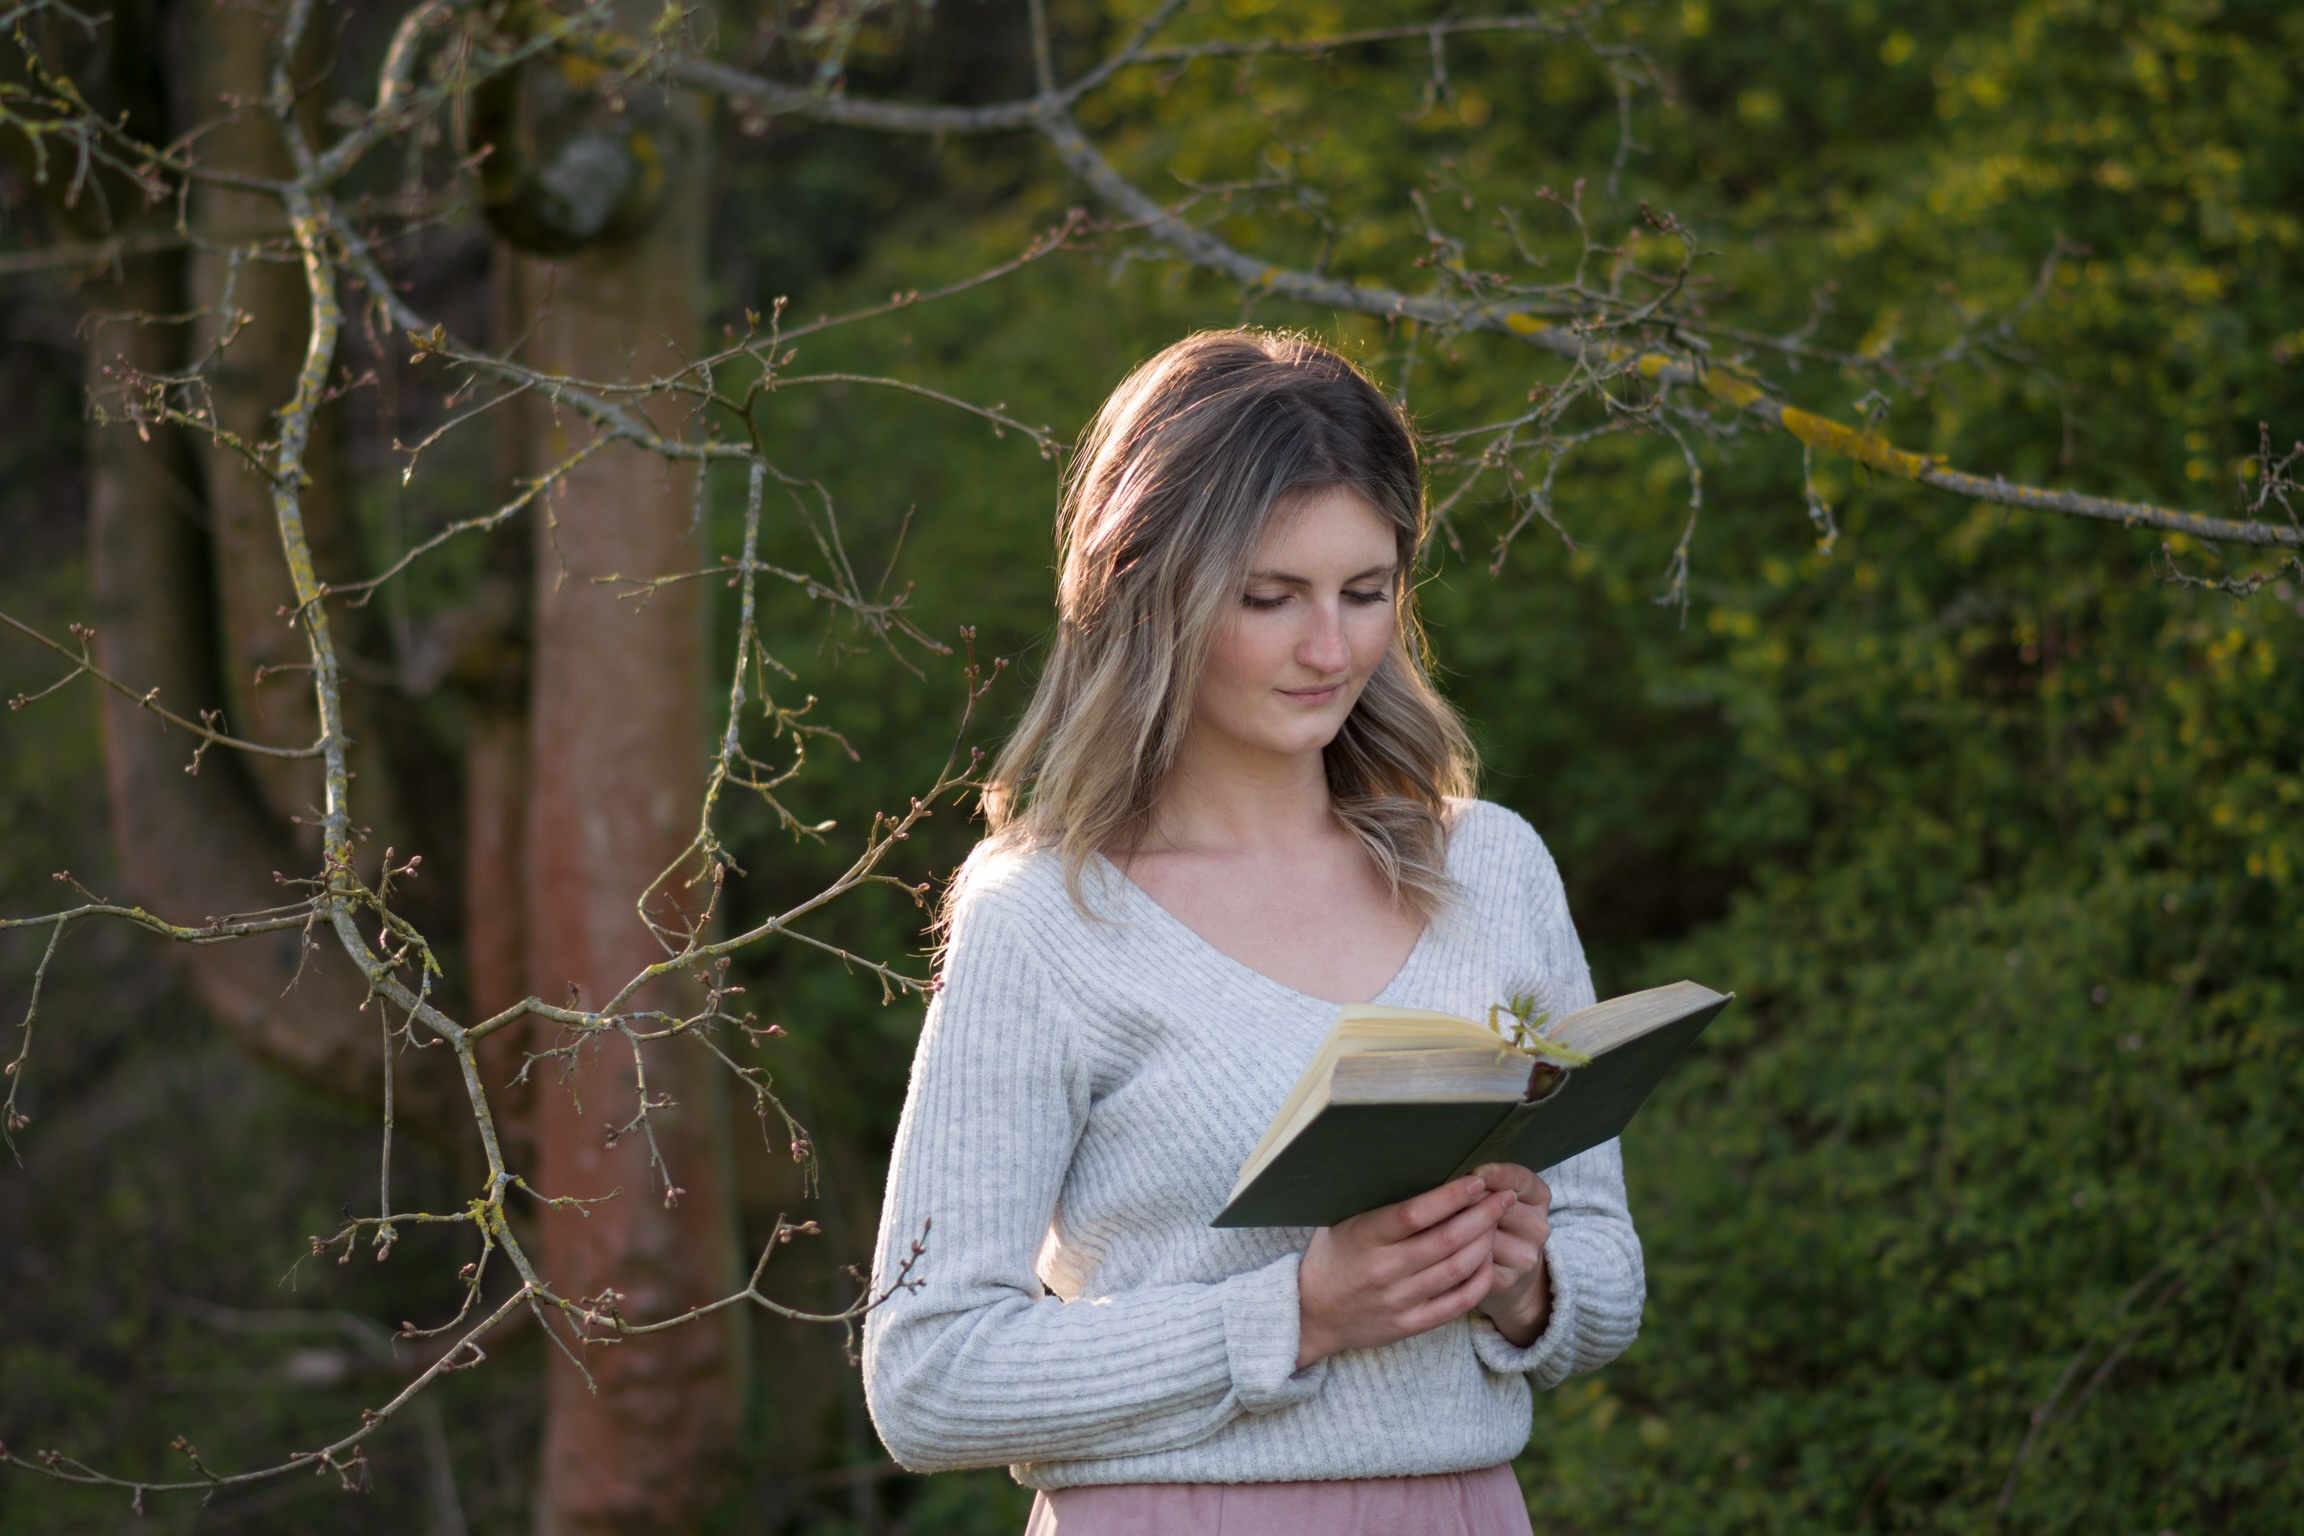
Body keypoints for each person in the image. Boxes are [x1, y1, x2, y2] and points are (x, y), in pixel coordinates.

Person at [862, 330, 1643, 1535]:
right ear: (1147, 590)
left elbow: (1605, 1264)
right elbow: (928, 1381)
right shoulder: (1045, 918)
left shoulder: (1490, 866)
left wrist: (1521, 1283)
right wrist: (1299, 1313)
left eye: (1366, 593)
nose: (1329, 651)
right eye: (1269, 598)